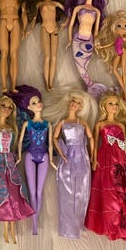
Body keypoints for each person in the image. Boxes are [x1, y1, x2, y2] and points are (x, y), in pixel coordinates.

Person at [85, 93, 126, 240]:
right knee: (107, 187)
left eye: (116, 104)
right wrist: (93, 159)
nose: (114, 106)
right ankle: (109, 223)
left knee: (121, 188)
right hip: (105, 156)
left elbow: (122, 145)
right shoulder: (100, 125)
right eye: (111, 103)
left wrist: (124, 160)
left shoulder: (121, 125)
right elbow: (95, 144)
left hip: (120, 157)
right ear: (104, 106)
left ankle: (121, 222)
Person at [0, 96, 34, 243]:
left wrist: (17, 157)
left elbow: (15, 145)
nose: (6, 109)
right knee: (2, 192)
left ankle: (12, 229)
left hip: (9, 160)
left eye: (10, 107)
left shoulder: (12, 128)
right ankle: (6, 230)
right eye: (3, 106)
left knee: (13, 191)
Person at [48, 89, 97, 239]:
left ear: (81, 107)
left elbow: (91, 138)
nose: (74, 104)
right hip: (68, 155)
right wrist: (61, 153)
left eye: (78, 103)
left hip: (81, 155)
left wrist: (93, 156)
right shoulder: (62, 122)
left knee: (82, 188)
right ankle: (67, 227)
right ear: (68, 103)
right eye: (73, 101)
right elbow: (54, 138)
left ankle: (79, 223)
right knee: (67, 190)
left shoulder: (82, 122)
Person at [9, 85, 55, 235]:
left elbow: (50, 144)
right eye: (34, 103)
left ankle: (35, 223)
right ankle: (34, 223)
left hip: (44, 156)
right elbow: (20, 141)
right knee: (32, 190)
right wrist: (19, 156)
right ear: (28, 107)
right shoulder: (27, 124)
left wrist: (52, 160)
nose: (38, 104)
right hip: (29, 155)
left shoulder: (48, 124)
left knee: (39, 192)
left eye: (39, 101)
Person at [20, 0, 66, 90]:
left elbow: (69, 12)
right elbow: (34, 18)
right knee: (47, 56)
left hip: (55, 28)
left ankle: (51, 83)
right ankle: (47, 83)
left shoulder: (55, 3)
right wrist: (30, 29)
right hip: (44, 28)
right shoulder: (39, 4)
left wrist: (65, 23)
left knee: (54, 56)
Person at [65, 0, 108, 97]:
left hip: (89, 40)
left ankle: (92, 87)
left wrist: (96, 43)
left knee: (84, 65)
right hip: (78, 39)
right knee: (80, 67)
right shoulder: (78, 8)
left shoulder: (97, 11)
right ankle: (91, 85)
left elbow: (95, 31)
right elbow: (71, 26)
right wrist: (69, 40)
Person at [95, 10, 126, 100]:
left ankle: (124, 91)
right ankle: (124, 91)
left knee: (122, 69)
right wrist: (101, 47)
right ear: (114, 28)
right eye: (119, 26)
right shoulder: (116, 39)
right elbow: (109, 44)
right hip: (118, 53)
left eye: (125, 26)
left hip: (123, 51)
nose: (123, 28)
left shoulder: (124, 39)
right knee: (115, 70)